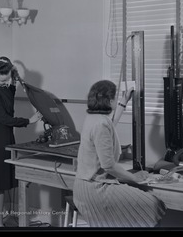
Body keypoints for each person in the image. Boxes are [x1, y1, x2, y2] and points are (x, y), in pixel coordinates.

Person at [72, 80, 167, 227]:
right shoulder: (101, 124)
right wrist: (134, 177)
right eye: (116, 97)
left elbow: (111, 123)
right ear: (110, 101)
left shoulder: (94, 118)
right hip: (95, 189)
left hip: (83, 186)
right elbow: (108, 166)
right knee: (153, 204)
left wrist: (123, 101)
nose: (116, 99)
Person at [0, 58, 43, 227]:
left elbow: (11, 88)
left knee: (2, 182)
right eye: (4, 77)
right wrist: (29, 121)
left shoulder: (6, 86)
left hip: (7, 136)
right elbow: (4, 119)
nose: (8, 81)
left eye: (8, 77)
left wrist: (15, 72)